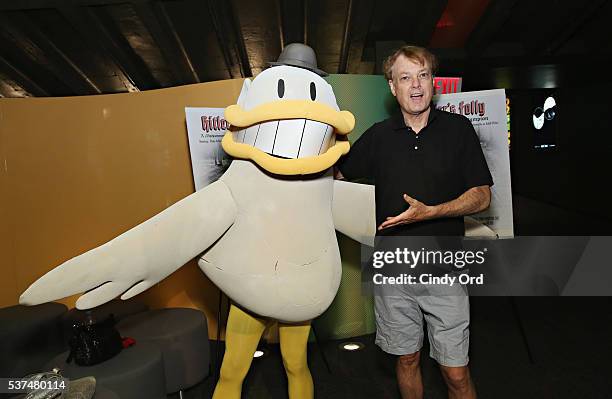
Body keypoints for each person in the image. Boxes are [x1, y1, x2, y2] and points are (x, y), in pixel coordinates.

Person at [336, 45, 492, 399]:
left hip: (444, 269)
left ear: (433, 82)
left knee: (455, 372)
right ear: (393, 87)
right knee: (406, 359)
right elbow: (338, 175)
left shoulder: (458, 129)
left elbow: (482, 195)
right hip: (392, 270)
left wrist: (432, 212)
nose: (416, 85)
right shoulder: (378, 136)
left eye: (422, 75)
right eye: (405, 77)